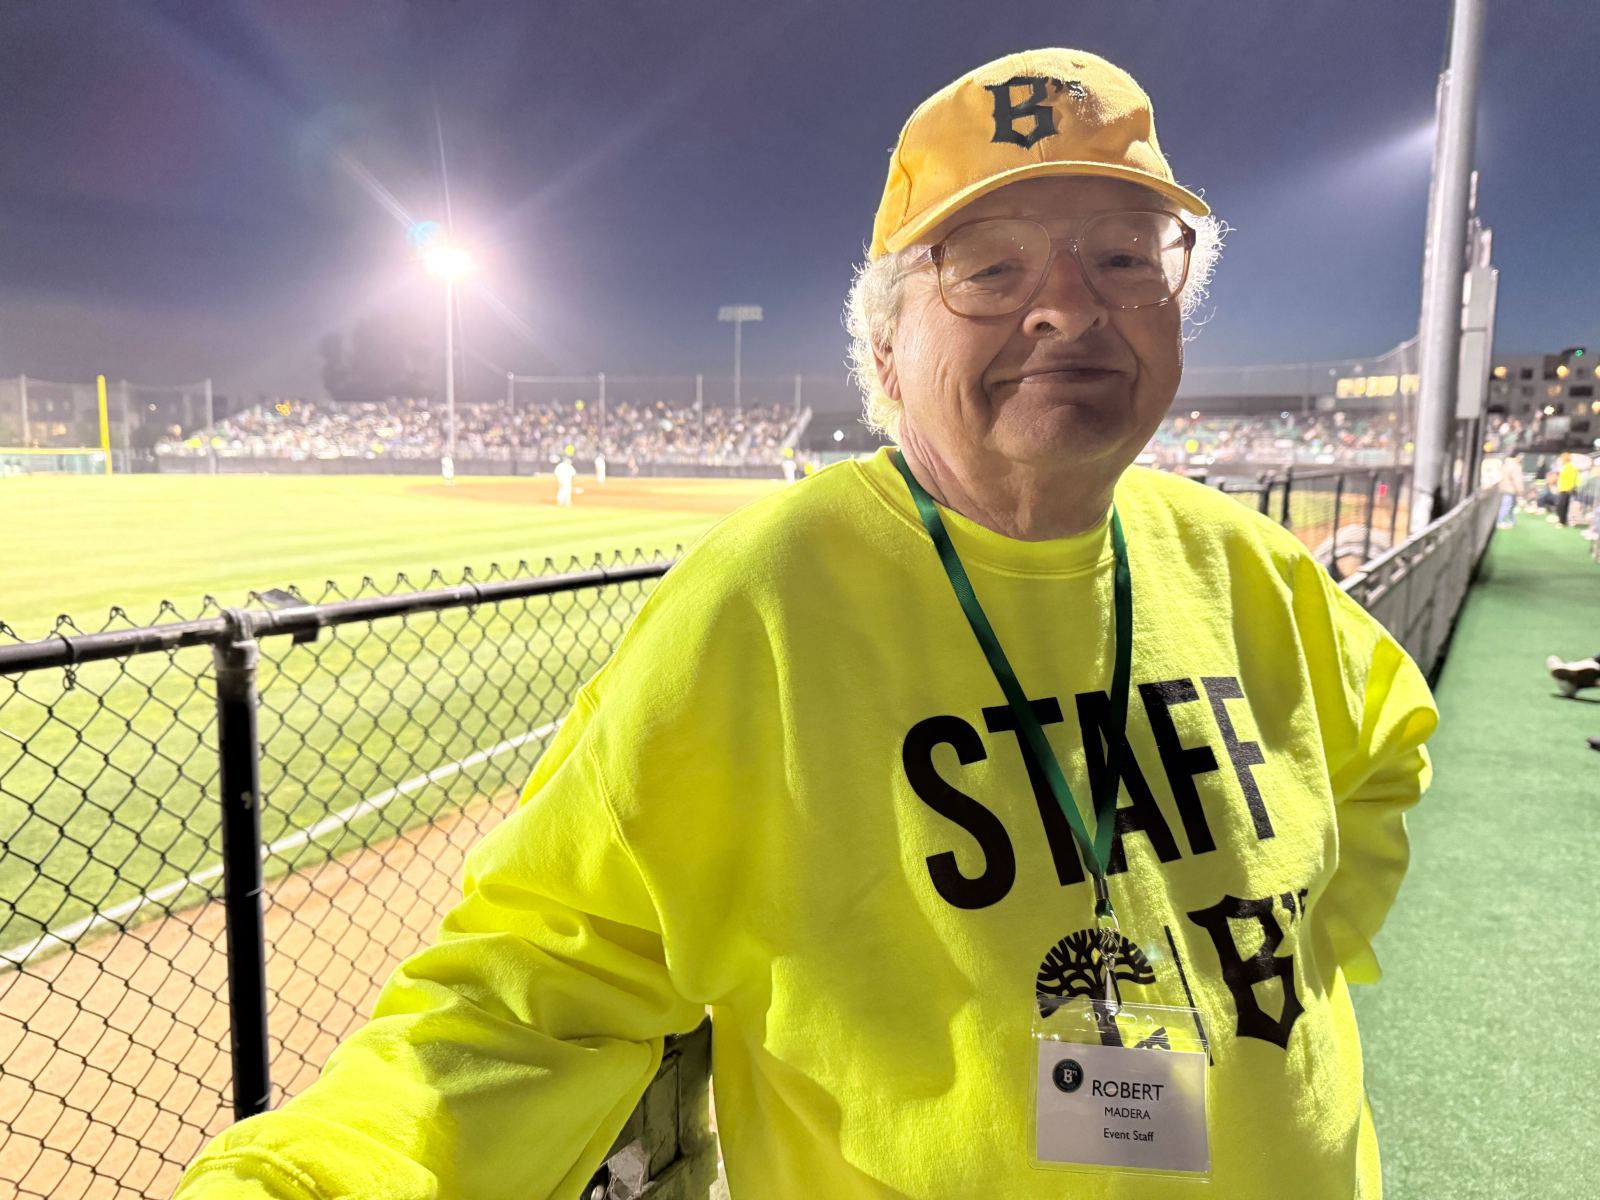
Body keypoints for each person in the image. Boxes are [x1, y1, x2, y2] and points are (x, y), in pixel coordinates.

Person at [174, 49, 1436, 1199]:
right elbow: (542, 984)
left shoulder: (1250, 565)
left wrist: (1293, 951)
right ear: (884, 356)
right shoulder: (763, 602)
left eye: (1124, 253)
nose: (1068, 307)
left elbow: (1384, 750)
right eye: (989, 268)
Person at [1495, 452, 1524, 528]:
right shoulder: (1515, 466)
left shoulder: (1506, 464)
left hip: (1504, 488)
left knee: (1510, 506)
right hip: (1510, 489)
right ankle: (1500, 522)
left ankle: (1511, 521)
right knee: (1506, 506)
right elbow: (1517, 480)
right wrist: (1520, 491)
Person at [1553, 452, 1579, 526]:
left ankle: (1562, 522)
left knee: (1562, 506)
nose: (1561, 460)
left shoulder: (1569, 466)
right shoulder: (1565, 466)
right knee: (1562, 506)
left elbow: (1572, 478)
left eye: (1562, 458)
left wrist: (1571, 488)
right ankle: (1562, 521)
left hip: (1567, 489)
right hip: (1563, 489)